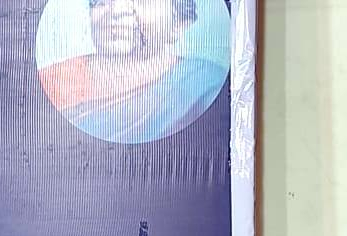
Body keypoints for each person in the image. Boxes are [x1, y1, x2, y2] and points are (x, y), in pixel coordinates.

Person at [38, 0, 227, 144]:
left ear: (179, 24)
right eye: (103, 1)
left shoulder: (204, 85)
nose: (117, 10)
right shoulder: (55, 81)